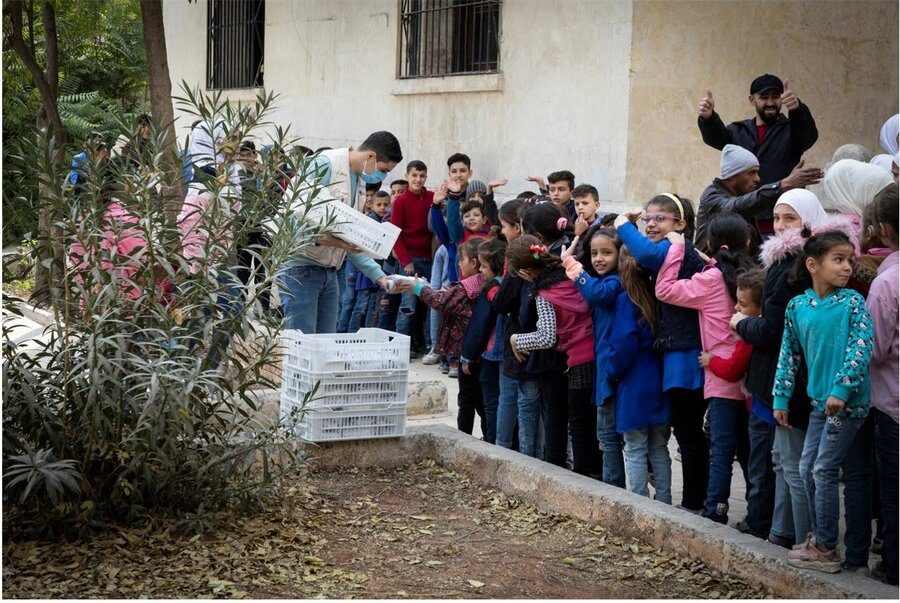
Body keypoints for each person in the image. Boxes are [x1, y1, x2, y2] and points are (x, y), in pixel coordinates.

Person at [731, 189, 851, 548]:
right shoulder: (804, 262)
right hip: (790, 380)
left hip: (791, 381)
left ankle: (804, 540)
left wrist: (741, 324)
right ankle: (783, 532)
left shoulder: (792, 267)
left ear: (809, 221)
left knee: (794, 465)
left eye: (790, 219)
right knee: (785, 462)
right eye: (778, 218)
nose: (780, 226)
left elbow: (775, 331)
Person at [774, 231, 874, 574]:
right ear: (813, 265)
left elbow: (861, 350)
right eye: (839, 260)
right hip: (820, 404)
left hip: (846, 406)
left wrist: (841, 391)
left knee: (823, 468)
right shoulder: (798, 306)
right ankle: (817, 539)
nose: (847, 267)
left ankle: (828, 547)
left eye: (850, 260)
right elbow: (789, 354)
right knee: (805, 469)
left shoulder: (852, 303)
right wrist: (781, 396)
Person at [657, 212, 757, 526]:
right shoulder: (751, 274)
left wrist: (676, 249)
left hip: (721, 374)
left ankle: (715, 509)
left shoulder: (711, 280)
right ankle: (758, 515)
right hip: (752, 373)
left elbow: (665, 290)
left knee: (722, 447)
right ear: (750, 242)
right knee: (750, 449)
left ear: (711, 244)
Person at [615, 194, 709, 514]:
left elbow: (641, 250)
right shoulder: (675, 251)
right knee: (684, 432)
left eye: (660, 219)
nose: (652, 224)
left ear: (680, 225)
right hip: (679, 353)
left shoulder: (675, 249)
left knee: (688, 432)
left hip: (686, 354)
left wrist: (621, 224)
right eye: (648, 219)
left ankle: (697, 502)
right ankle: (697, 499)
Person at [277, 131, 402, 334]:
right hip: (301, 267)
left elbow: (350, 238)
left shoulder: (359, 181)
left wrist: (380, 277)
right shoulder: (325, 164)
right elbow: (291, 220)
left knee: (325, 345)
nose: (383, 176)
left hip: (329, 270)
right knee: (303, 345)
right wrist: (335, 242)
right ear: (371, 156)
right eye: (383, 170)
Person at [507, 235, 598, 476]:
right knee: (588, 424)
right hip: (595, 349)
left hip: (578, 357)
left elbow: (547, 336)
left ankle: (581, 477)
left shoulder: (545, 294)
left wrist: (517, 339)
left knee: (577, 425)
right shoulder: (568, 272)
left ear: (525, 273)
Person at [697, 75, 819, 236]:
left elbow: (807, 136)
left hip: (782, 219)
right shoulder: (739, 130)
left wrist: (797, 110)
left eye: (775, 97)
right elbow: (717, 138)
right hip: (745, 218)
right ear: (752, 99)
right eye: (764, 97)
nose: (770, 103)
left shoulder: (792, 129)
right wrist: (708, 118)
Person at [400, 238, 485, 436]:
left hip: (468, 352)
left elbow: (440, 301)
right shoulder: (483, 283)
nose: (458, 263)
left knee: (467, 399)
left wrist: (418, 287)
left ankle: (464, 438)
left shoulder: (467, 289)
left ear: (473, 263)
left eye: (461, 259)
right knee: (481, 400)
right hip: (480, 352)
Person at [562, 224, 625, 488]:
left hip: (612, 368)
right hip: (602, 366)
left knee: (608, 436)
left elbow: (597, 294)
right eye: (595, 253)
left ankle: (613, 488)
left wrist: (574, 269)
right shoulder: (602, 280)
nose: (599, 258)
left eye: (607, 253)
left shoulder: (615, 282)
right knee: (604, 434)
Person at [607, 248, 671, 502]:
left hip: (634, 383)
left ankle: (640, 502)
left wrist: (612, 371)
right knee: (658, 446)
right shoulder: (658, 298)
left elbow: (623, 343)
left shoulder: (627, 300)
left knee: (634, 447)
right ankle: (664, 500)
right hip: (657, 379)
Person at [695, 144, 823, 251]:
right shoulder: (711, 196)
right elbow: (734, 207)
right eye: (751, 173)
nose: (757, 179)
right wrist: (782, 185)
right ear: (732, 175)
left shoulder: (742, 195)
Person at [866, 184, 898, 586]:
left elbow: (873, 348)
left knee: (894, 491)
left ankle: (894, 565)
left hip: (893, 405)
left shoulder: (887, 284)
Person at [460, 237, 507, 445]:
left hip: (489, 354)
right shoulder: (507, 285)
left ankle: (493, 441)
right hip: (500, 355)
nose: (481, 271)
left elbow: (479, 326)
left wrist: (467, 356)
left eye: (484, 267)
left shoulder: (490, 289)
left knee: (491, 404)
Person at [390, 160, 435, 358]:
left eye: (422, 176)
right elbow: (395, 234)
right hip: (410, 261)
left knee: (426, 306)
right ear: (407, 176)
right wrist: (405, 261)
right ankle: (401, 347)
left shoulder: (432, 197)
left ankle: (422, 344)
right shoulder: (401, 201)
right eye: (414, 175)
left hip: (430, 259)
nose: (418, 179)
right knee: (408, 306)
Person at [491, 199, 526, 450]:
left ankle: (503, 447)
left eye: (505, 226)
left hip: (516, 331)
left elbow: (503, 300)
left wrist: (491, 290)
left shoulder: (517, 255)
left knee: (510, 396)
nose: (502, 231)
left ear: (517, 226)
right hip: (520, 329)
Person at [348, 191, 392, 332]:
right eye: (378, 204)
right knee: (361, 305)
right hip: (367, 271)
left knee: (372, 307)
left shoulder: (386, 222)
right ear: (371, 205)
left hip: (377, 272)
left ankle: (365, 334)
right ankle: (352, 334)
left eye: (386, 204)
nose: (382, 207)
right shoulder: (369, 222)